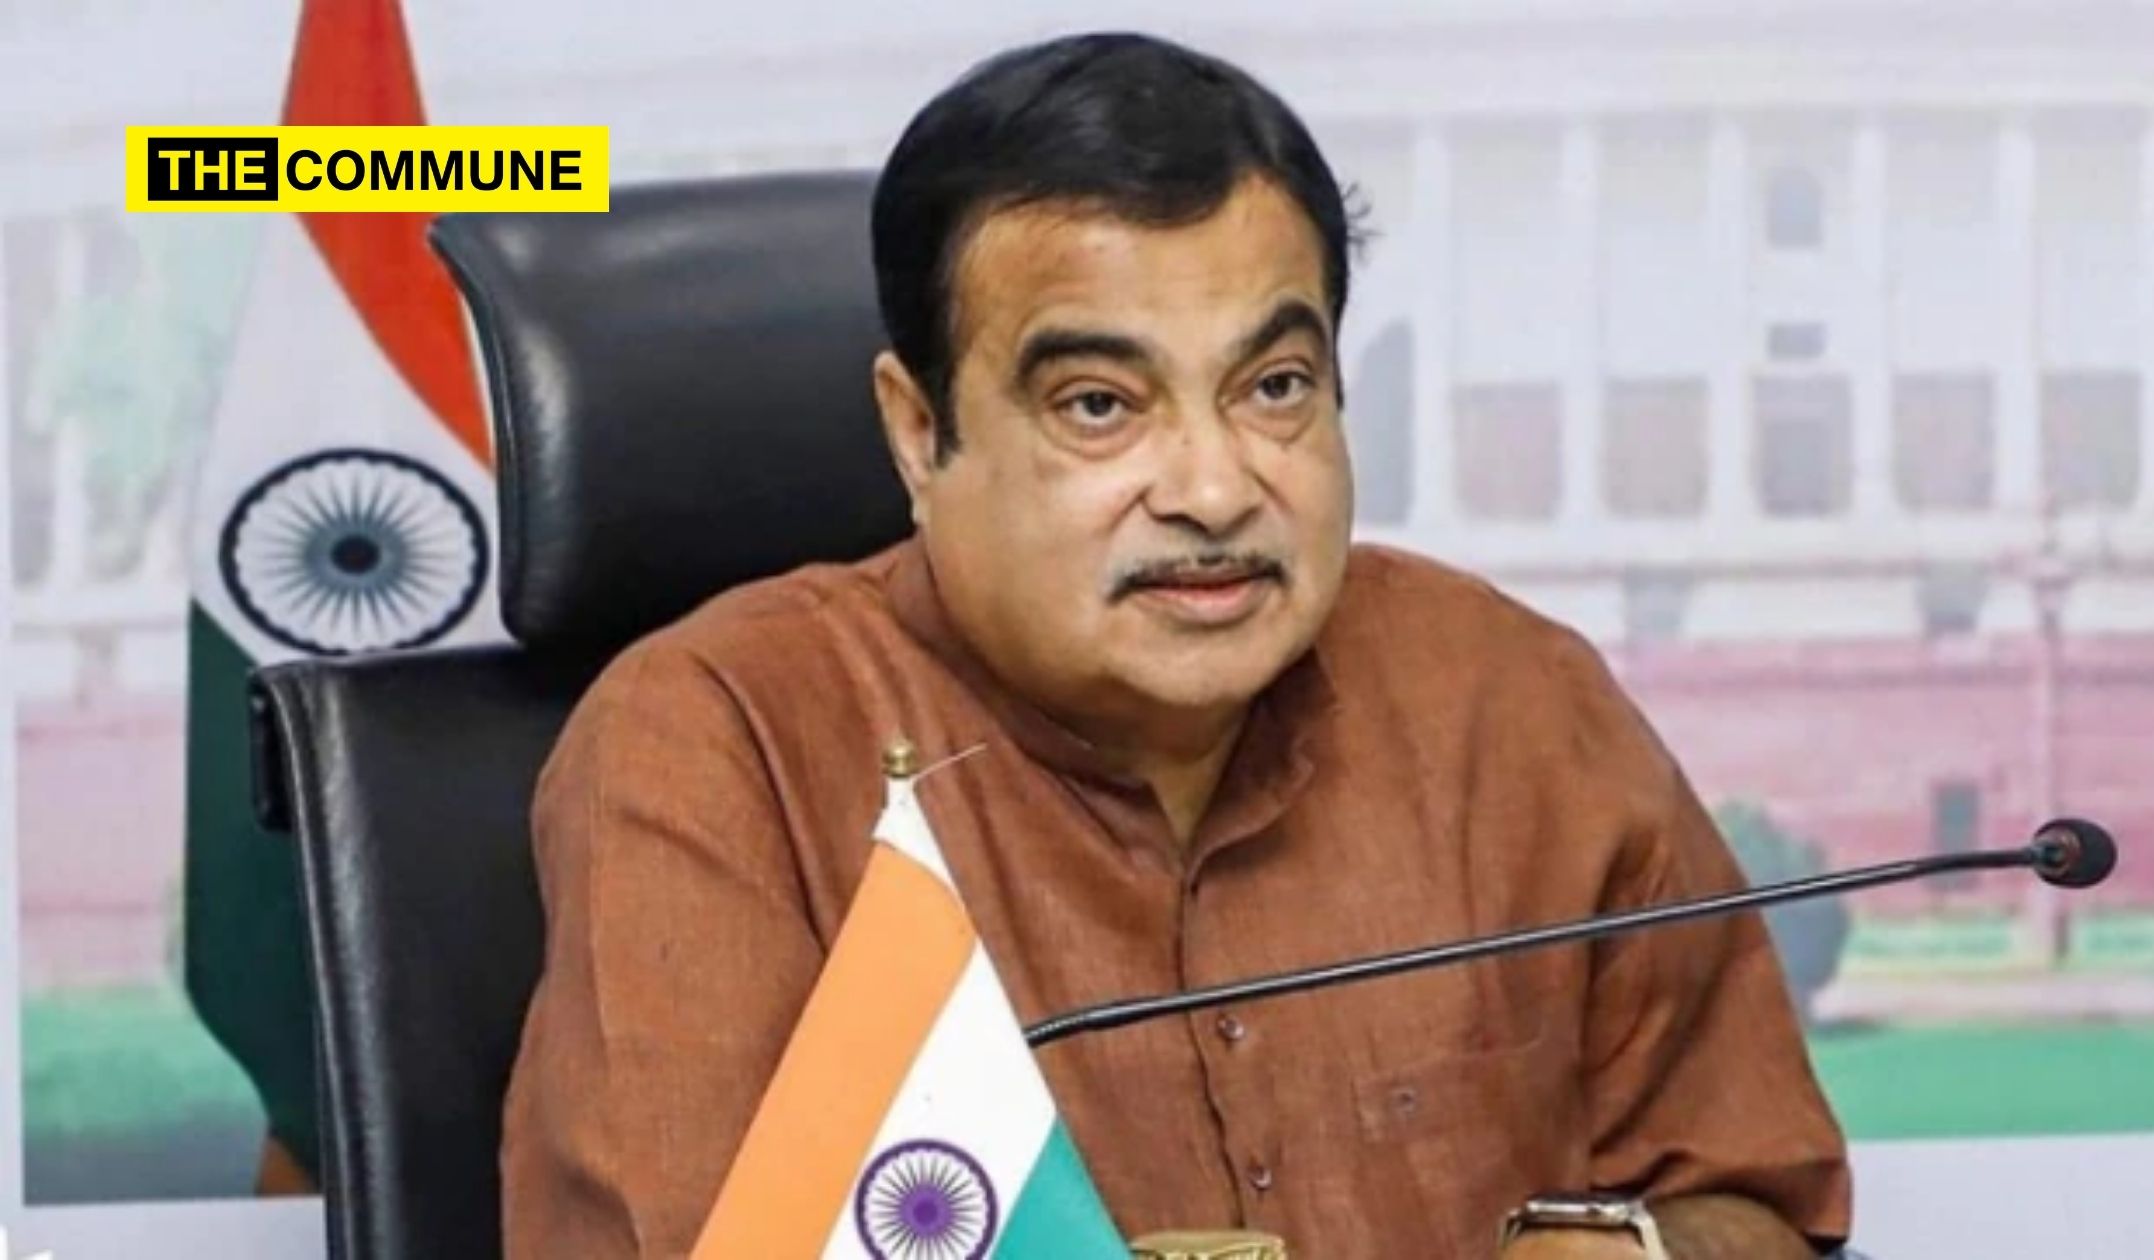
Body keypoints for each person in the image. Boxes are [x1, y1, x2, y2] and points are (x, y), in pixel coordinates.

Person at [502, 31, 1851, 1259]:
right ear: (919, 432)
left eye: (1275, 388)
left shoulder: (1509, 696)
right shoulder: (719, 747)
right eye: (1101, 405)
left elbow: (1763, 1205)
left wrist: (1643, 1252)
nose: (1213, 489)